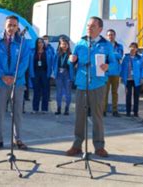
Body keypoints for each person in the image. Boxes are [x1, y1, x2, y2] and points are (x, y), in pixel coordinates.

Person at [65, 16, 118, 158]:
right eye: (88, 25)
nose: (89, 28)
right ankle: (77, 145)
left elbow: (114, 65)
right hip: (82, 84)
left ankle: (99, 146)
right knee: (79, 117)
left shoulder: (106, 45)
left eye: (93, 26)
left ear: (100, 29)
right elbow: (72, 61)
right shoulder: (81, 43)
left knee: (97, 116)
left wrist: (108, 66)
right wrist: (71, 60)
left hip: (98, 84)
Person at [0, 15, 30, 150]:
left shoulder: (23, 42)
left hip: (17, 82)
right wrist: (2, 76)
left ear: (18, 27)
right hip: (0, 82)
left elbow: (24, 62)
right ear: (4, 26)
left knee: (17, 112)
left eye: (14, 25)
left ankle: (18, 139)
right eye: (9, 25)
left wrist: (14, 77)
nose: (11, 28)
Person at [120, 42, 143, 117]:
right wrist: (121, 76)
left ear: (137, 49)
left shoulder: (140, 58)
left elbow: (142, 68)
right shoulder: (126, 57)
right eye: (131, 47)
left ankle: (135, 112)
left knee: (136, 96)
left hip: (136, 80)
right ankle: (128, 112)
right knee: (128, 96)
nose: (132, 48)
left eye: (134, 47)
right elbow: (122, 67)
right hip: (128, 79)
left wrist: (142, 77)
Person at [29, 38, 54, 114]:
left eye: (42, 42)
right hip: (35, 73)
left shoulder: (48, 52)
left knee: (45, 91)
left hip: (45, 73)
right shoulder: (33, 52)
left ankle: (44, 109)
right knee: (36, 91)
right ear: (36, 44)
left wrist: (51, 73)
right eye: (39, 43)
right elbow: (30, 63)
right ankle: (35, 108)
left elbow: (52, 63)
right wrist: (31, 73)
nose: (40, 44)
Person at [103, 29, 124, 117]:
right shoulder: (104, 46)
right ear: (106, 36)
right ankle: (103, 110)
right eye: (109, 35)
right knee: (105, 93)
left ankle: (115, 111)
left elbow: (120, 55)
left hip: (115, 72)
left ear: (114, 36)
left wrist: (110, 53)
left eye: (112, 35)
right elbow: (103, 56)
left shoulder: (119, 46)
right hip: (106, 72)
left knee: (115, 92)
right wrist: (114, 54)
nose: (110, 36)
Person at [53, 37, 74, 115]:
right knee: (59, 92)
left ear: (68, 45)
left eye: (66, 44)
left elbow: (73, 65)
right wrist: (53, 73)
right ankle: (58, 108)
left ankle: (67, 108)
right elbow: (54, 63)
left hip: (67, 74)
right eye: (63, 44)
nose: (64, 45)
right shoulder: (57, 54)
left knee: (68, 92)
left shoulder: (71, 54)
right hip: (59, 73)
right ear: (60, 45)